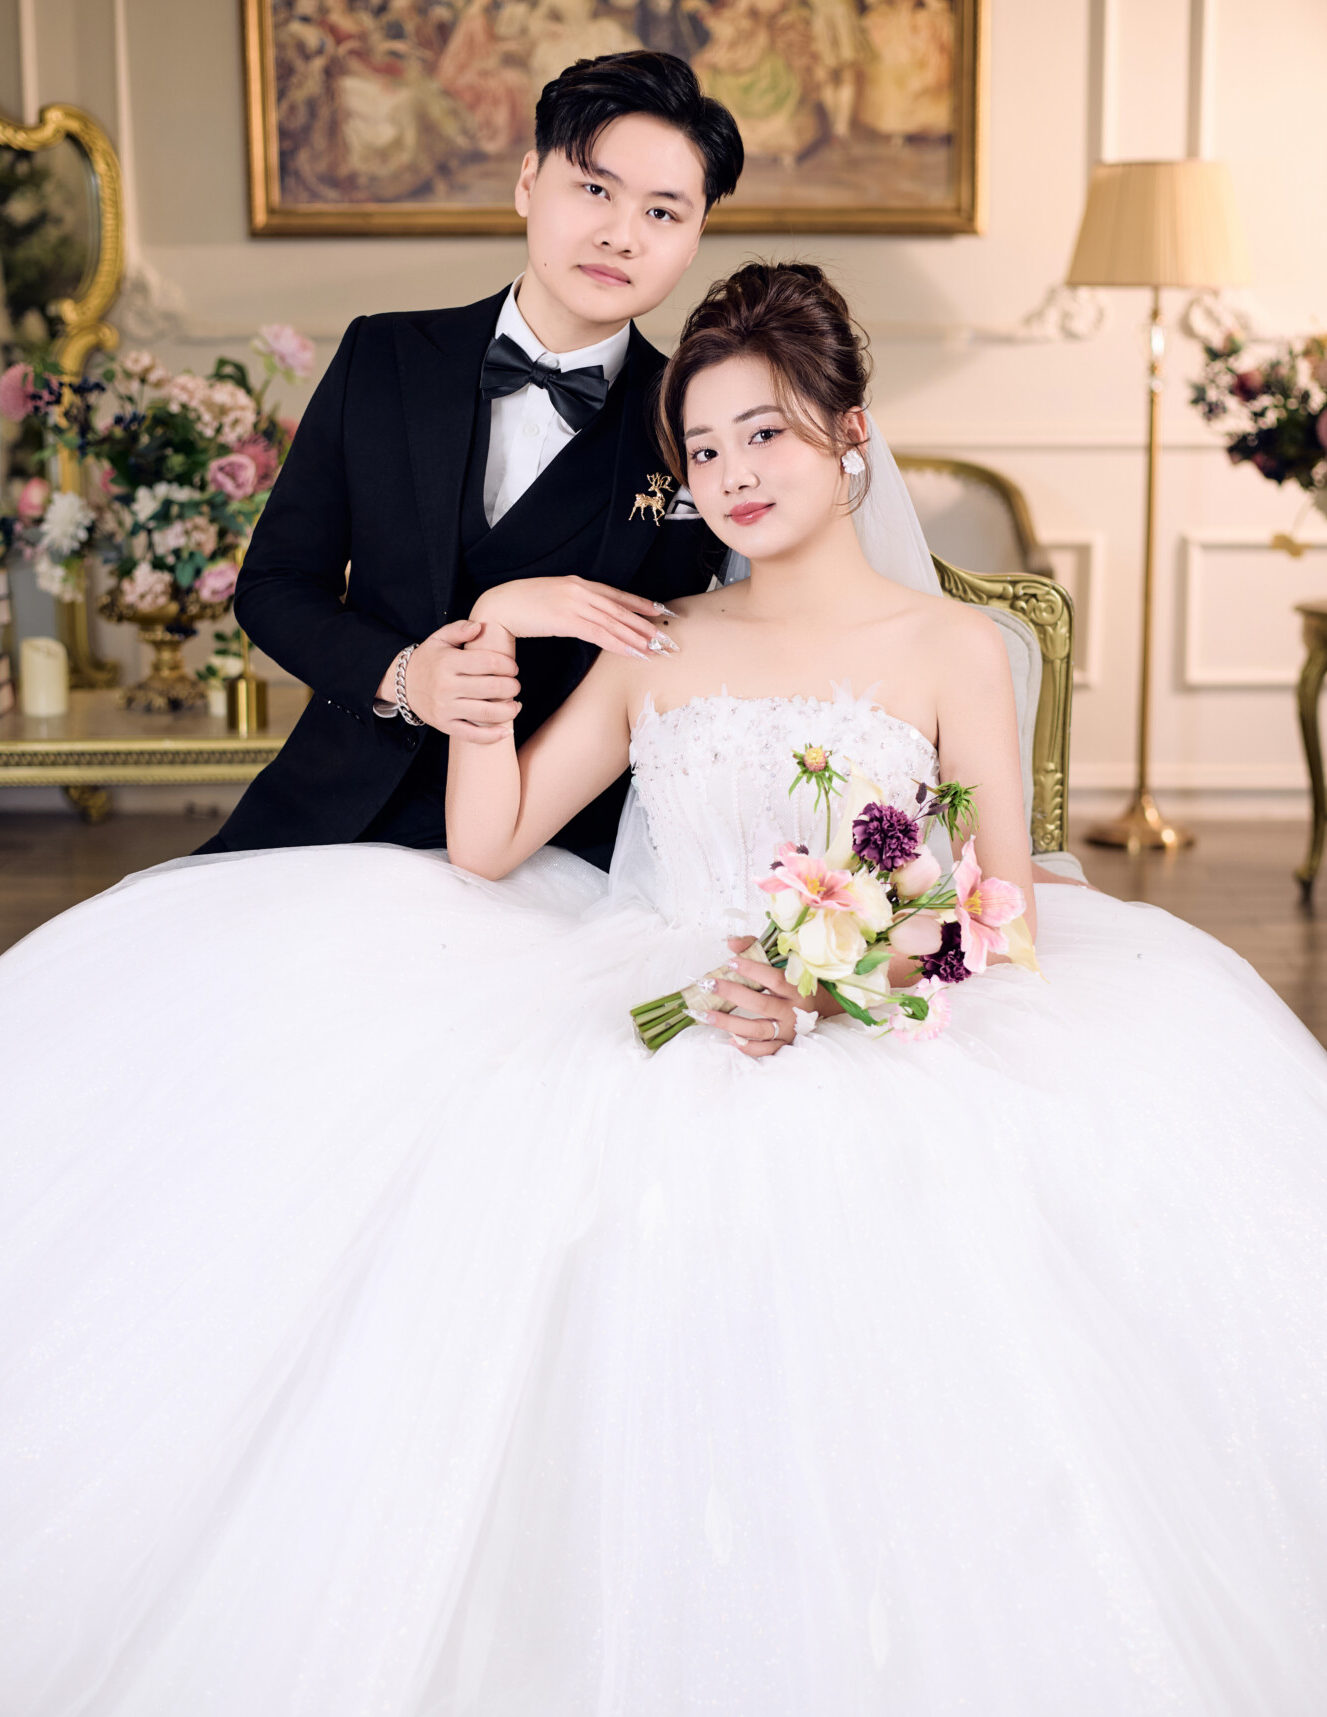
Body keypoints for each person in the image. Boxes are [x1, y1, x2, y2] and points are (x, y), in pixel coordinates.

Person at [3, 261, 1327, 1715]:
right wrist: (490, 632)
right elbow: (490, 841)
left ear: (849, 433)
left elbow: (998, 913)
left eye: (764, 433)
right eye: (701, 449)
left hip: (864, 1008)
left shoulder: (954, 646)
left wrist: (830, 984)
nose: (731, 475)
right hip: (647, 986)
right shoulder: (662, 637)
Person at [198, 50, 742, 869]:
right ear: (528, 181)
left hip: (558, 844)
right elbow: (275, 585)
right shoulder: (383, 355)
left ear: (695, 238)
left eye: (663, 213)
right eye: (594, 189)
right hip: (333, 814)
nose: (620, 235)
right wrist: (403, 677)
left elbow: (713, 643)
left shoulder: (694, 421)